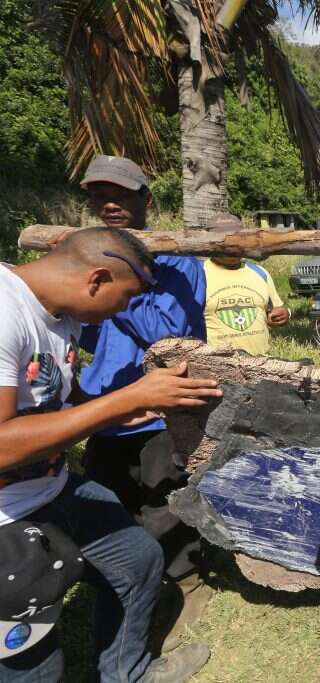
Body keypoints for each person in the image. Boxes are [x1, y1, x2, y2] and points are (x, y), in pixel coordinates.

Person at [0, 227, 221, 682]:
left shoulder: (62, 314)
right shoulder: (4, 312)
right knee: (34, 666)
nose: (123, 311)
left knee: (136, 562)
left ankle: (125, 674)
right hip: (6, 521)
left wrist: (117, 414)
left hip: (51, 486)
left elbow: (53, 397)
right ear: (97, 280)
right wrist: (119, 401)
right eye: (125, 299)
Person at [75, 155, 211, 654]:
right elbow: (87, 334)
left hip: (159, 411)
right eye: (99, 194)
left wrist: (120, 283)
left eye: (123, 195)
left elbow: (168, 336)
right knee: (109, 509)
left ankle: (181, 591)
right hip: (105, 410)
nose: (110, 204)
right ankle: (119, 598)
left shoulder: (179, 263)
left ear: (145, 200)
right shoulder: (87, 260)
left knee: (165, 507)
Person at [202, 213, 290, 355]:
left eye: (236, 238)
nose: (231, 244)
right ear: (210, 242)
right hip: (218, 367)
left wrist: (283, 316)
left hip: (262, 366)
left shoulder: (259, 272)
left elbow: (276, 312)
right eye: (223, 239)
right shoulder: (198, 275)